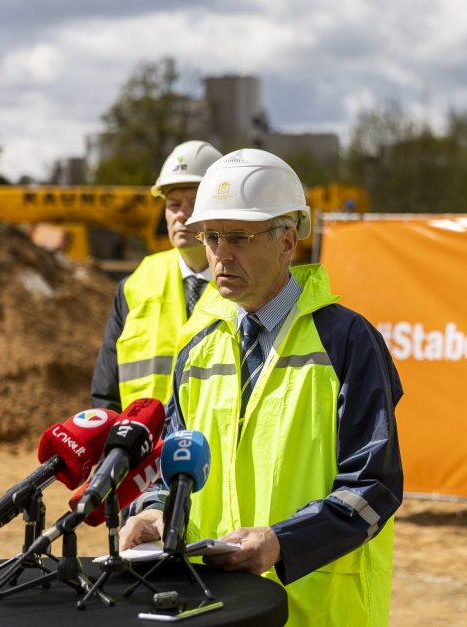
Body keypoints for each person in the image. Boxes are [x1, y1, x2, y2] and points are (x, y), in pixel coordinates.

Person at [119, 148, 404, 626]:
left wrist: (282, 542)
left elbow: (374, 487)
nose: (219, 253)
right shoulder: (198, 349)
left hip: (320, 609)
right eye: (211, 237)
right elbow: (173, 470)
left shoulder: (348, 340)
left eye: (239, 237)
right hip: (220, 605)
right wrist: (153, 511)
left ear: (287, 241)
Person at [91, 140, 223, 412]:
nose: (182, 215)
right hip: (145, 449)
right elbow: (106, 395)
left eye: (194, 203)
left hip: (217, 450)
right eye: (173, 204)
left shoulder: (248, 285)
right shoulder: (135, 286)